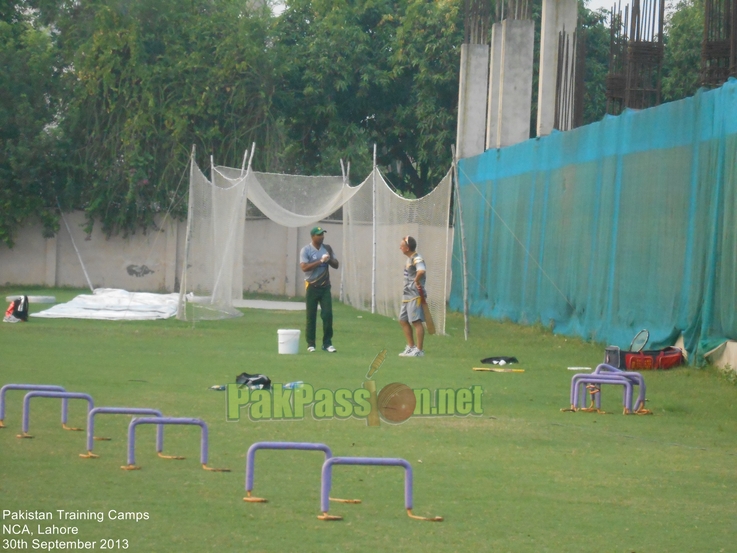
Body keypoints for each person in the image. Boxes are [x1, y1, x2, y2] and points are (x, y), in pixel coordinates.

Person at [300, 226, 339, 353]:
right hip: (311, 286)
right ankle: (311, 344)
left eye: (322, 234)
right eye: (318, 235)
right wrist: (319, 261)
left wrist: (329, 260)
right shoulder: (306, 250)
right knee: (311, 316)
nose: (321, 236)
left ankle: (327, 343)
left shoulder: (327, 248)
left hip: (325, 287)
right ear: (313, 237)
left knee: (327, 315)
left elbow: (336, 265)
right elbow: (304, 268)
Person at [398, 235, 426, 357]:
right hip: (407, 295)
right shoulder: (409, 259)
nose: (400, 247)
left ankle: (419, 350)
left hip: (415, 295)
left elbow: (421, 270)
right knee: (403, 320)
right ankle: (411, 347)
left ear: (407, 248)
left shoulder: (417, 258)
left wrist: (415, 281)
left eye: (402, 246)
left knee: (415, 321)